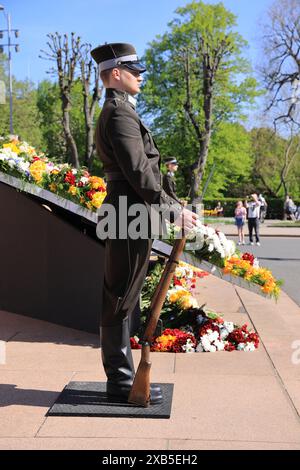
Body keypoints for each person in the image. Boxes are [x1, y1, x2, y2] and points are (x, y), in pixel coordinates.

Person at [91, 43, 197, 404]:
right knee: (121, 294)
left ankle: (121, 377)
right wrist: (172, 209)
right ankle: (120, 381)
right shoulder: (119, 114)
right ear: (116, 74)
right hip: (128, 210)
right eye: (133, 71)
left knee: (124, 293)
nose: (140, 77)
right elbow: (138, 172)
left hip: (128, 209)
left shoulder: (120, 110)